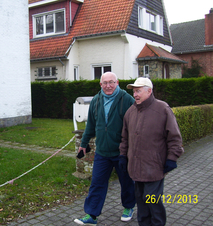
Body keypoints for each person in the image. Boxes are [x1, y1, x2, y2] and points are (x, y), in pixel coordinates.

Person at [119, 77, 184, 226]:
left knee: (152, 200)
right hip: (135, 167)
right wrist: (123, 156)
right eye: (134, 91)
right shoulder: (130, 112)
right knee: (141, 201)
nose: (135, 95)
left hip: (154, 167)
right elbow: (125, 138)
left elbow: (174, 137)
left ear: (149, 91)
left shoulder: (162, 109)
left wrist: (172, 158)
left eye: (138, 91)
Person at [74, 72, 136, 225]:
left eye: (111, 82)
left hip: (121, 152)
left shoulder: (127, 99)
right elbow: (90, 126)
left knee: (126, 181)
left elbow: (135, 126)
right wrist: (83, 144)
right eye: (105, 83)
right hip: (102, 152)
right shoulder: (96, 100)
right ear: (100, 84)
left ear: (117, 83)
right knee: (97, 183)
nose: (108, 86)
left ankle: (128, 207)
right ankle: (92, 215)